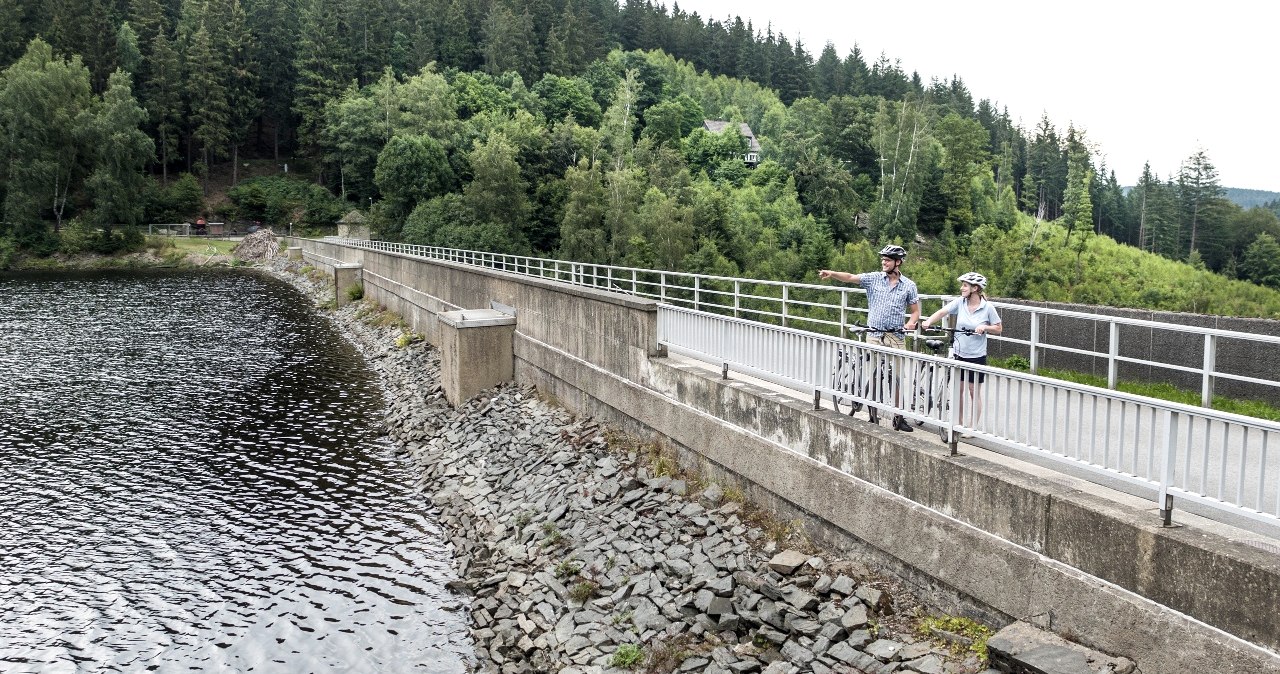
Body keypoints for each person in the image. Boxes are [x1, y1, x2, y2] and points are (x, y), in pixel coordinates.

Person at [818, 245, 921, 432]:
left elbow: (915, 312)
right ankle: (873, 414)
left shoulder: (909, 286)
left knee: (897, 378)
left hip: (896, 336)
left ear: (898, 262)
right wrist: (832, 273)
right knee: (874, 376)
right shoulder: (873, 279)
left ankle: (899, 416)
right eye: (883, 259)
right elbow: (850, 277)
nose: (884, 262)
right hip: (874, 335)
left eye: (887, 260)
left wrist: (910, 324)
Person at [921, 272, 1002, 435]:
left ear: (975, 288)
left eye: (965, 285)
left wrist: (985, 327)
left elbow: (998, 328)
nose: (961, 288)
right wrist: (929, 321)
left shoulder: (987, 307)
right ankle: (957, 423)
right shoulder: (960, 302)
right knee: (958, 389)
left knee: (973, 391)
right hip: (959, 352)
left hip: (977, 355)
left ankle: (972, 427)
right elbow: (942, 312)